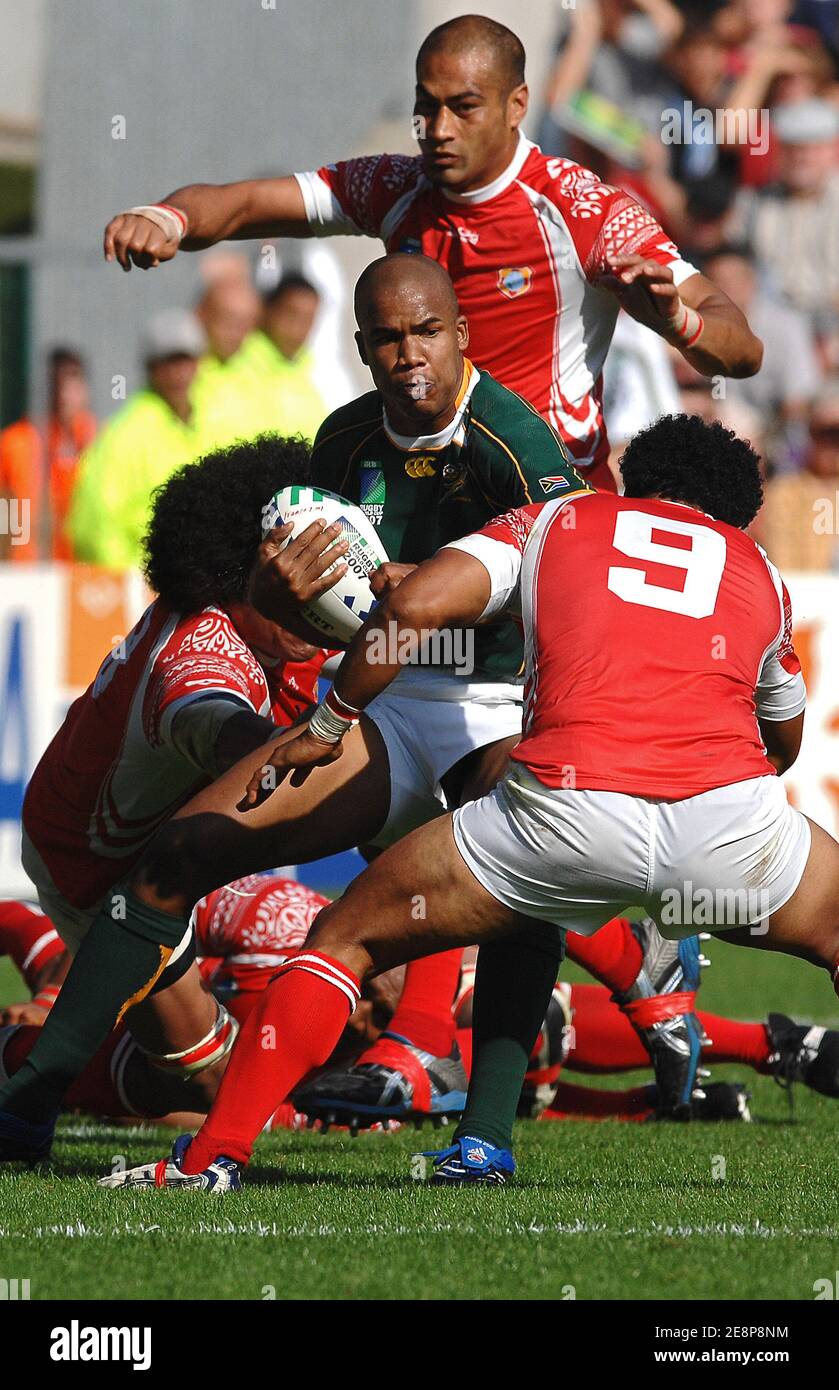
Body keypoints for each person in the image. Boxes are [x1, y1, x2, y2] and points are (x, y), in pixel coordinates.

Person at [0, 254, 699, 1171]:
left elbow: (577, 588)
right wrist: (290, 593)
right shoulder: (341, 442)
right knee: (181, 851)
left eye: (425, 333)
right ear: (363, 347)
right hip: (380, 703)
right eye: (387, 338)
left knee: (518, 872)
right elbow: (302, 596)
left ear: (461, 335)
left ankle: (485, 1134)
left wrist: (447, 594)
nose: (409, 354)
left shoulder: (518, 447)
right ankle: (31, 1101)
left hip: (490, 705)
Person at [102, 411, 839, 1192]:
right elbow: (782, 739)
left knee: (344, 938)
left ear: (628, 480)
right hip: (727, 823)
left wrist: (327, 724)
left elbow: (415, 608)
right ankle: (491, 1127)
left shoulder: (558, 515)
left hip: (563, 813)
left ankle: (211, 1158)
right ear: (731, 509)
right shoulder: (756, 567)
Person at [102, 13, 762, 490]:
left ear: (516, 105)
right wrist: (170, 215)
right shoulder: (394, 186)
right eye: (426, 108)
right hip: (423, 495)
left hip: (547, 508)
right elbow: (246, 203)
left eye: (463, 107)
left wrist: (682, 321)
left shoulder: (578, 209)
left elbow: (742, 347)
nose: (438, 131)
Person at [0, 437, 326, 1162]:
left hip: (147, 840)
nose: (317, 595)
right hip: (96, 863)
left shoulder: (261, 619)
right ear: (246, 573)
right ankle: (18, 1062)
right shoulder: (206, 655)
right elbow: (217, 723)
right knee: (213, 1088)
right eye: (296, 574)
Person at [4, 889, 837, 1135]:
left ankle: (770, 1044)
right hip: (180, 1055)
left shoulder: (295, 936)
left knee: (515, 993)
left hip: (231, 1041)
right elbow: (135, 918)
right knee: (529, 1037)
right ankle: (726, 1055)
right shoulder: (278, 948)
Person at [67, 311, 220, 569]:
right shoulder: (124, 434)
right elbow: (94, 526)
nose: (180, 373)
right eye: (169, 363)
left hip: (202, 583)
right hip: (148, 588)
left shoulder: (214, 423)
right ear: (151, 368)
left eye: (186, 361)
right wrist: (136, 580)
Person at [0, 347, 96, 561]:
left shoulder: (98, 445)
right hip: (27, 576)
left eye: (73, 383)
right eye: (55, 384)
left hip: (85, 575)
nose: (63, 394)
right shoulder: (14, 444)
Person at [233, 275, 327, 441]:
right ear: (267, 310)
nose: (297, 328)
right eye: (291, 315)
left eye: (308, 319)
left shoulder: (311, 375)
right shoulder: (234, 363)